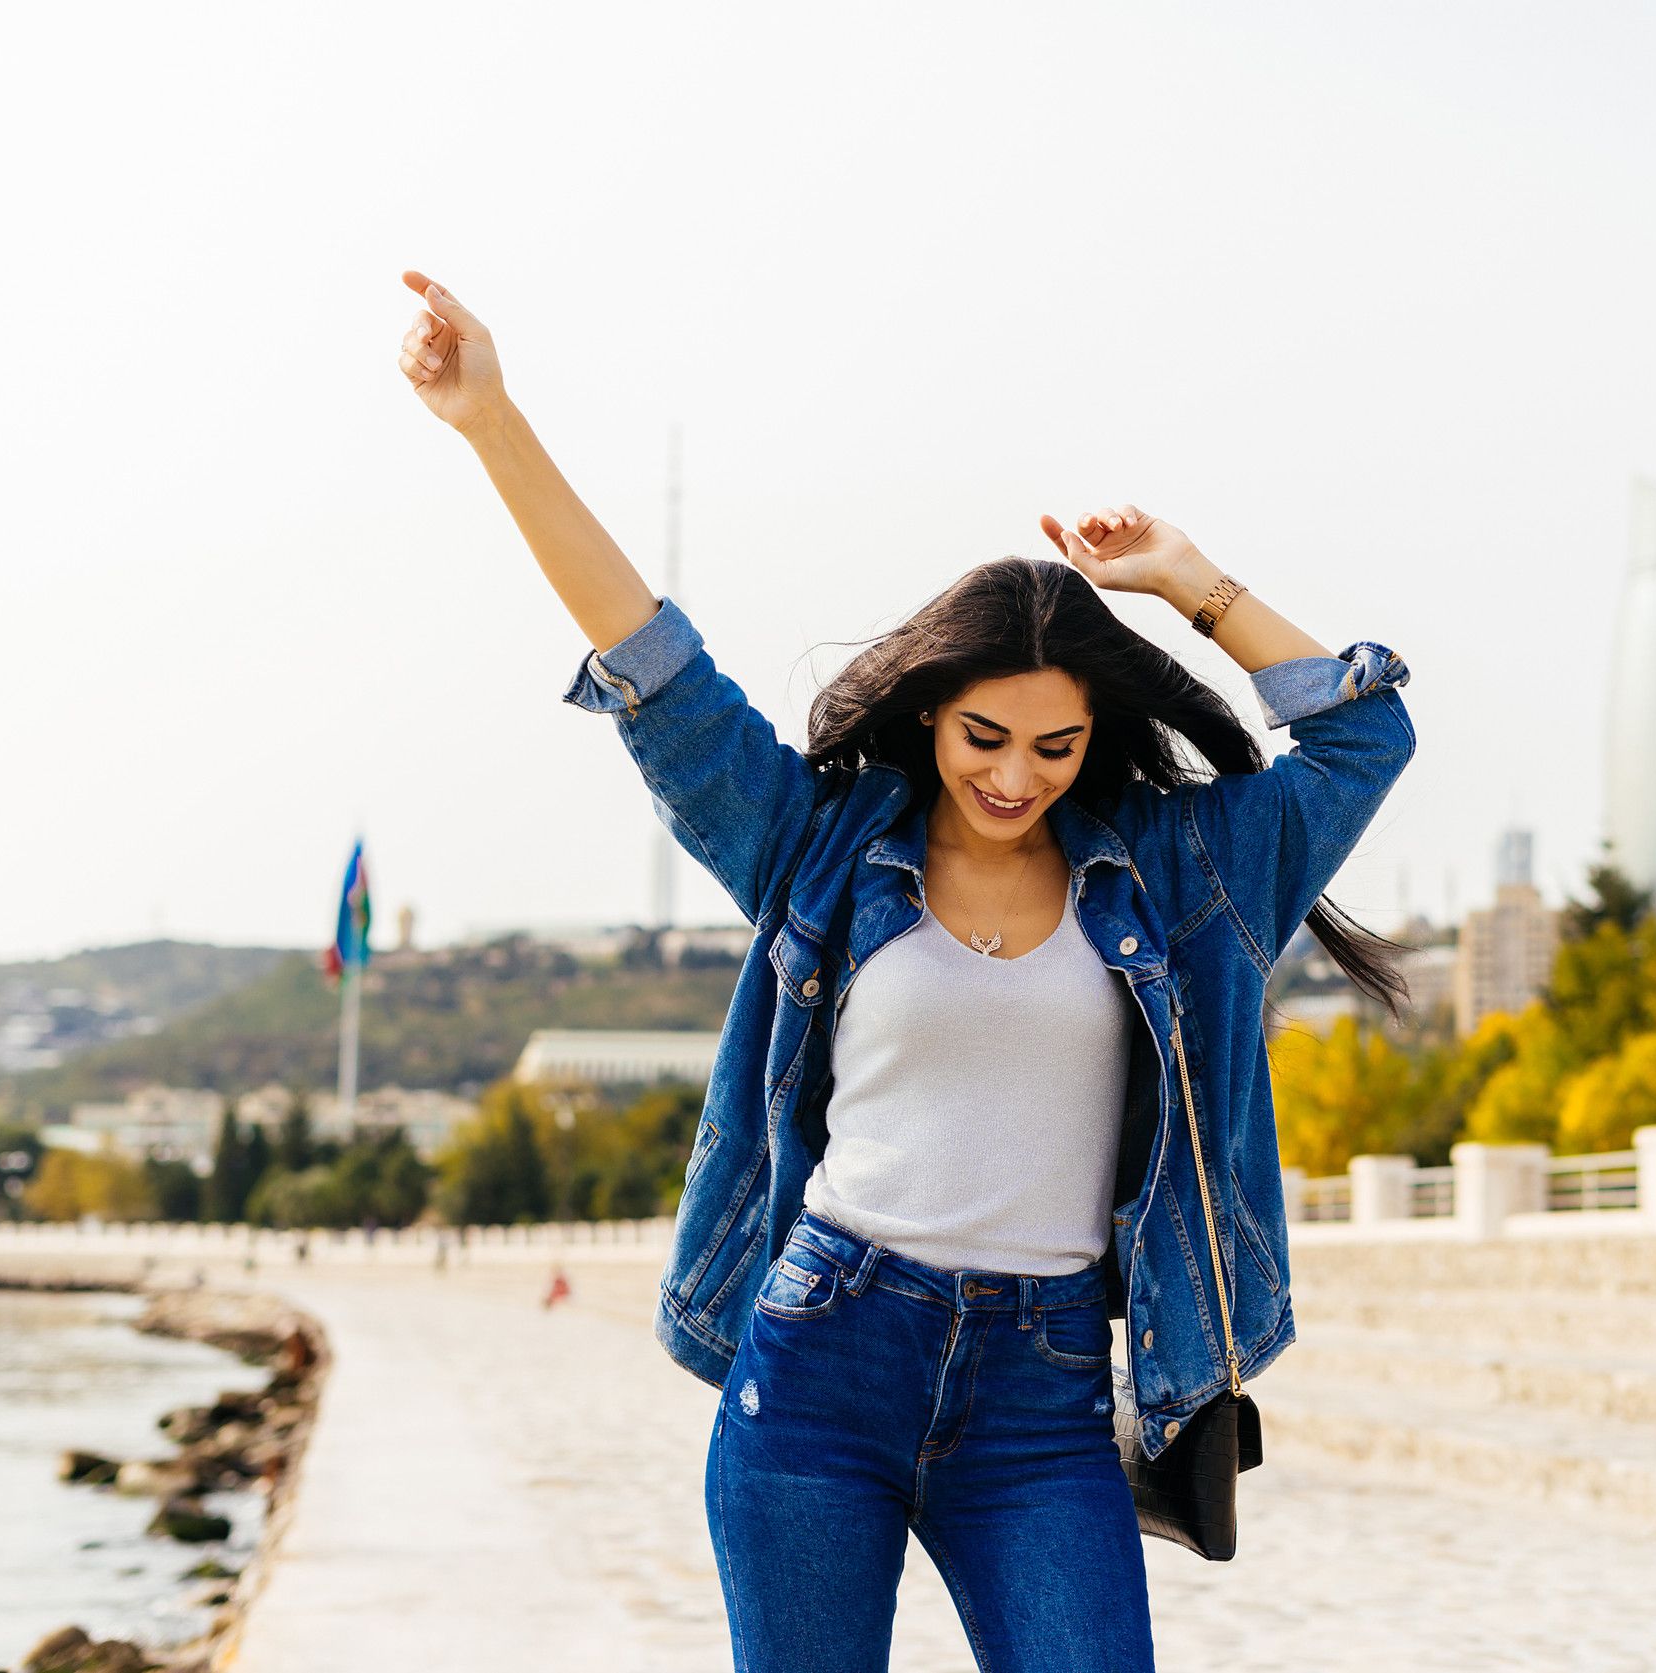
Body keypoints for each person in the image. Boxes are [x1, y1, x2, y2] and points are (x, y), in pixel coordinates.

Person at [397, 270, 1416, 1673]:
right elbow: (655, 668)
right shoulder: (817, 845)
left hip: (1043, 1389)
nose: (1015, 776)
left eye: (1055, 748)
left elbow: (1364, 744)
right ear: (934, 705)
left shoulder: (1182, 876)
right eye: (985, 735)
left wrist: (1193, 583)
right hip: (823, 1359)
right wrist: (490, 421)